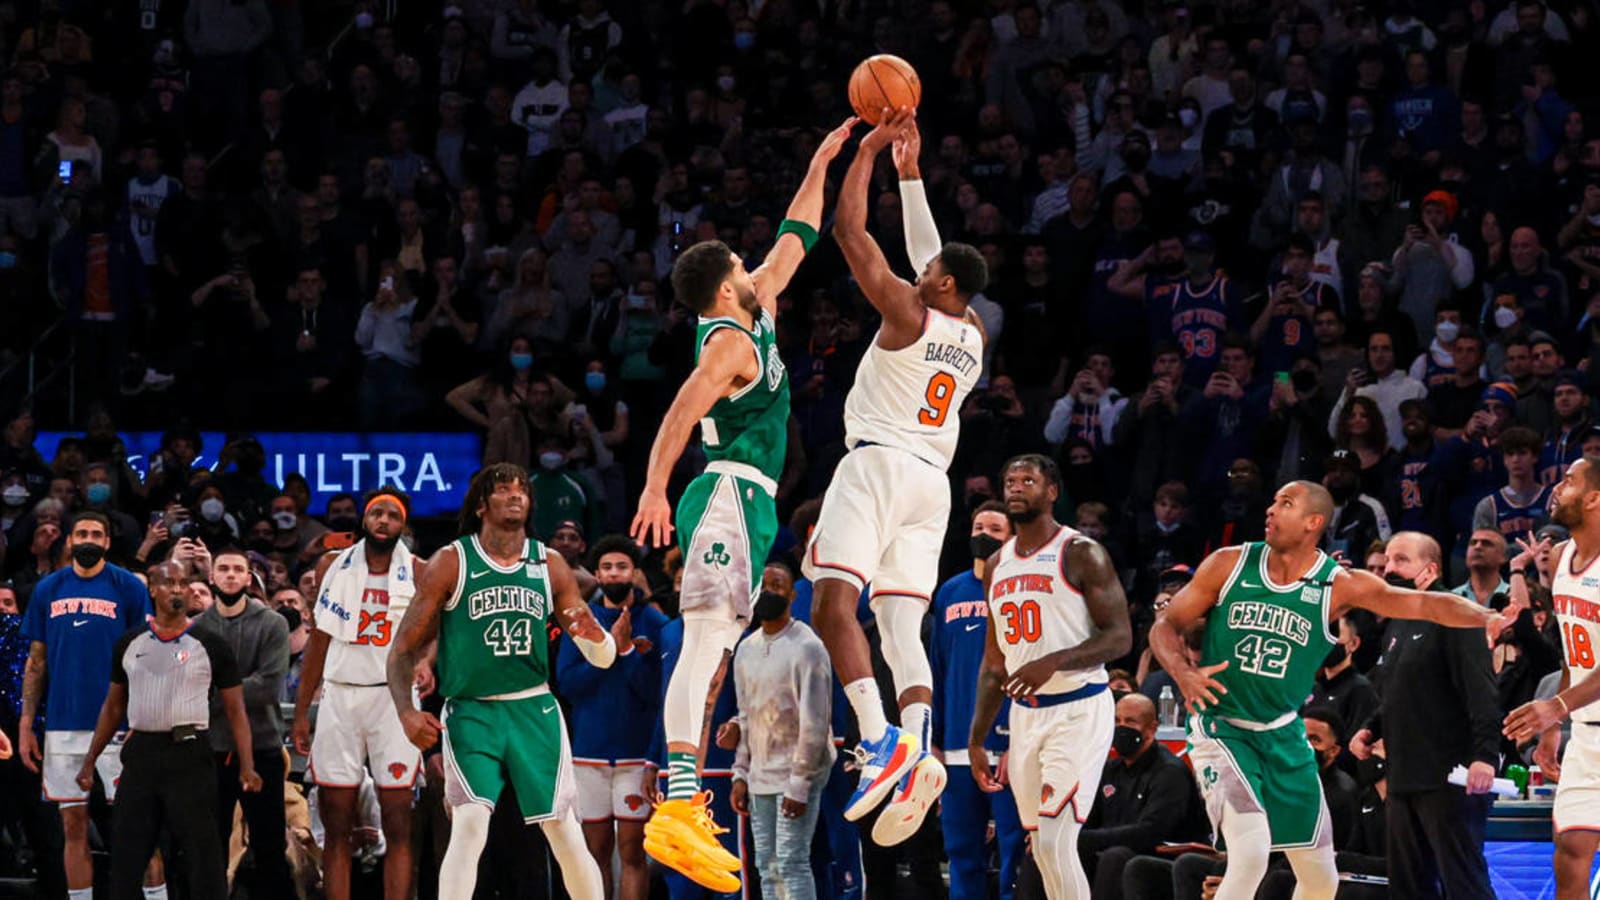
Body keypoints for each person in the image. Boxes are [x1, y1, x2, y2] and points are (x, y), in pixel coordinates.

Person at [626, 116, 854, 890]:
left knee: (716, 639)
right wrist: (656, 487)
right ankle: (680, 801)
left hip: (747, 502)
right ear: (728, 282)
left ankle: (682, 799)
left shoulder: (755, 307)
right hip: (723, 493)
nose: (756, 265)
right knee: (701, 640)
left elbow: (797, 236)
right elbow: (679, 415)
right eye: (740, 261)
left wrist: (823, 157)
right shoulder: (728, 341)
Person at [1149, 481, 1508, 900]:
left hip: (1284, 734)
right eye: (1273, 499)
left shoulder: (1337, 585)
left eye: (1285, 503)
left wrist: (1485, 616)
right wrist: (1183, 673)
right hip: (1222, 726)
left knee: (1321, 879)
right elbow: (1165, 625)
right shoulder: (1229, 563)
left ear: (1313, 522)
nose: (1270, 509)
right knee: (1250, 853)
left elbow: (1428, 604)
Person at [805, 110, 989, 846]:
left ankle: (878, 740)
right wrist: (912, 176)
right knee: (901, 625)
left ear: (938, 281)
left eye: (930, 271)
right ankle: (915, 745)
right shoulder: (970, 333)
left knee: (831, 606)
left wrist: (871, 151)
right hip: (932, 484)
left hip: (877, 464)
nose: (923, 270)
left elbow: (850, 231)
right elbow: (934, 257)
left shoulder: (908, 312)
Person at [384, 463, 615, 900]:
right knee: (469, 825)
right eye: (503, 489)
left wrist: (602, 643)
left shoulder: (549, 562)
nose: (515, 495)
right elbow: (400, 651)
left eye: (521, 489)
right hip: (472, 710)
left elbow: (597, 653)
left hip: (534, 708)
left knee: (563, 829)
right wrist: (406, 711)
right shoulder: (451, 562)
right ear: (480, 505)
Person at [969, 455, 1133, 898]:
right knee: (1040, 847)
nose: (1016, 487)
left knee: (1059, 841)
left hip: (1078, 708)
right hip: (1026, 716)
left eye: (1028, 480)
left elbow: (1120, 638)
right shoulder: (998, 564)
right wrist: (978, 738)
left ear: (1052, 492)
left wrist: (1054, 661)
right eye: (1010, 480)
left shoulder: (1080, 552)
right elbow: (993, 662)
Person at [78, 561, 260, 900]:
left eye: (183, 583)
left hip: (190, 753)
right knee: (128, 851)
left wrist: (247, 765)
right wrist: (90, 760)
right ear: (152, 589)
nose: (177, 589)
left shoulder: (210, 643)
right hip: (141, 754)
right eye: (168, 582)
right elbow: (113, 706)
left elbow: (236, 709)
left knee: (202, 852)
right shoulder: (129, 642)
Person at [291, 489, 427, 900]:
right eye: (377, 513)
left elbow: (441, 629)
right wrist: (301, 711)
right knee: (337, 822)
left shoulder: (420, 571)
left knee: (399, 820)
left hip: (394, 701)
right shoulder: (333, 564)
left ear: (403, 526)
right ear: (364, 520)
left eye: (392, 515)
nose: (383, 520)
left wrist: (427, 661)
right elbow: (319, 642)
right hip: (341, 697)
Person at [18, 512, 154, 900]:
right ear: (70, 540)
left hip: (119, 723)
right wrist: (28, 724)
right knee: (72, 827)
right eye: (82, 533)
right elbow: (36, 661)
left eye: (97, 533)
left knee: (136, 827)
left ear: (108, 542)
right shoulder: (48, 589)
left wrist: (140, 719)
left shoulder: (127, 586)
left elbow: (144, 658)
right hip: (62, 724)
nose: (89, 538)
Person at [1504, 455, 1600, 899]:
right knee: (1570, 848)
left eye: (1568, 481)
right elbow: (1571, 652)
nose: (1556, 488)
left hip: (1578, 714)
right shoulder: (1561, 558)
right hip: (1584, 732)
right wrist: (1554, 727)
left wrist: (1557, 707)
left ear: (1595, 497)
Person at [557, 535, 668, 900]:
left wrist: (625, 652)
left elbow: (656, 693)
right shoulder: (581, 621)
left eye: (622, 567)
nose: (614, 574)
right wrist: (607, 654)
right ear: (597, 574)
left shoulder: (654, 623)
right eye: (607, 567)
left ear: (635, 573)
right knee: (594, 852)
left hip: (636, 755)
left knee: (633, 853)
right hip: (588, 753)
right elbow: (568, 685)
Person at [930, 499, 1024, 900]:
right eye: (978, 527)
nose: (984, 535)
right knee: (960, 853)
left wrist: (1020, 740)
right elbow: (935, 669)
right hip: (954, 746)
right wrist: (931, 738)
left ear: (1012, 537)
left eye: (995, 529)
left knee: (1012, 850)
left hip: (1007, 743)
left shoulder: (1021, 588)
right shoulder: (949, 591)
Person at [727, 588, 835, 900]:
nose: (769, 592)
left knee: (792, 862)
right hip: (761, 772)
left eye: (777, 585)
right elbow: (746, 714)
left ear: (790, 595)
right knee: (767, 865)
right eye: (764, 585)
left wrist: (800, 784)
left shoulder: (808, 646)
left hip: (799, 771)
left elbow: (816, 722)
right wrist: (740, 772)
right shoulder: (746, 648)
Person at [197, 547, 292, 898]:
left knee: (270, 845)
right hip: (211, 749)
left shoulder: (273, 623)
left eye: (239, 569)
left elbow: (268, 687)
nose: (231, 575)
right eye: (224, 568)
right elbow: (191, 687)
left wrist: (216, 689)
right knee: (209, 845)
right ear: (212, 576)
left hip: (262, 746)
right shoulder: (198, 627)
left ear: (249, 578)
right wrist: (236, 688)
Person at [1078, 692, 1210, 899]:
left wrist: (1082, 839)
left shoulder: (1170, 772)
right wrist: (1062, 838)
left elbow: (1149, 832)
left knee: (1115, 856)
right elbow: (1089, 819)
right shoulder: (1109, 769)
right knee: (1047, 853)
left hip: (1159, 855)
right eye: (1116, 720)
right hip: (1114, 849)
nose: (1121, 728)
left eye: (1130, 721)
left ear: (1152, 729)